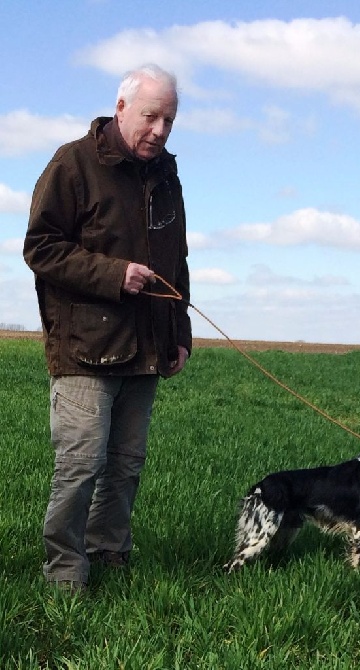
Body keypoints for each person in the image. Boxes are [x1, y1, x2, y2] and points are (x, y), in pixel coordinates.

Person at [23, 64, 192, 593]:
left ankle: (110, 553)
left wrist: (179, 332)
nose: (160, 130)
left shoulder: (166, 176)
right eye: (150, 116)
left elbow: (177, 261)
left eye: (169, 119)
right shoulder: (72, 163)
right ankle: (66, 573)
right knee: (80, 467)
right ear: (121, 108)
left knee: (125, 465)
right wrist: (115, 275)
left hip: (146, 348)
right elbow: (41, 248)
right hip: (84, 347)